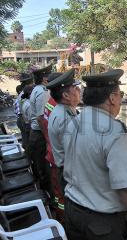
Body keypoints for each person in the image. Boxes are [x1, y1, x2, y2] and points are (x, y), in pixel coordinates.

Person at [63, 69, 127, 240]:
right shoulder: (115, 134)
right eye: (120, 94)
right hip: (102, 225)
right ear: (112, 98)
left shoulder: (75, 121)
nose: (121, 99)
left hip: (74, 211)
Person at [45, 69, 81, 222]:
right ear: (66, 95)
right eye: (75, 88)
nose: (79, 90)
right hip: (69, 171)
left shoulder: (64, 110)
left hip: (65, 168)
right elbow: (77, 151)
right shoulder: (65, 118)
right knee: (73, 209)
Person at [28, 64, 52, 193]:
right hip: (39, 135)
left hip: (37, 133)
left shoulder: (38, 90)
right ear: (44, 79)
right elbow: (41, 118)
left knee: (41, 165)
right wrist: (48, 138)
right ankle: (47, 195)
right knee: (44, 167)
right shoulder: (42, 92)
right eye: (48, 76)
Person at [14, 72, 33, 149]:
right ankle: (29, 157)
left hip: (22, 120)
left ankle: (28, 156)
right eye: (32, 82)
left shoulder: (22, 94)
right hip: (24, 121)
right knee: (28, 142)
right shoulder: (24, 95)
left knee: (25, 140)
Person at [19, 84, 34, 151]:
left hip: (26, 123)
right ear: (30, 94)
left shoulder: (24, 102)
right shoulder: (29, 105)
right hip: (29, 125)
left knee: (28, 142)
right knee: (31, 144)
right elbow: (31, 119)